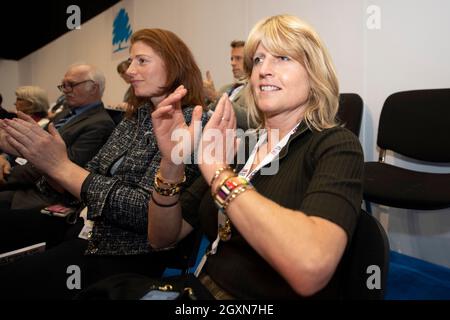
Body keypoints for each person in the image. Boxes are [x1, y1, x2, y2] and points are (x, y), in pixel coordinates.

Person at [83, 14, 364, 300]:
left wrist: (218, 171)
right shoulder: (243, 146)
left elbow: (311, 267)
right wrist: (172, 162)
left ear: (315, 74)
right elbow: (162, 237)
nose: (263, 69)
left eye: (282, 58)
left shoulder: (336, 145)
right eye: (257, 60)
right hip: (199, 288)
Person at [0, 28, 209, 300]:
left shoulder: (196, 123)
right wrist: (44, 158)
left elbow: (144, 211)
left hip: (128, 254)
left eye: (142, 61)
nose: (130, 71)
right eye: (131, 61)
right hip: (86, 232)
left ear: (174, 64)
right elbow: (84, 180)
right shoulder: (136, 117)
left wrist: (61, 166)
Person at [0, 64, 116, 210]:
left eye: (71, 85)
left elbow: (59, 167)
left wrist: (7, 176)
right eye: (63, 85)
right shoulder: (65, 113)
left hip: (45, 194)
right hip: (24, 181)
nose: (66, 91)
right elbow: (30, 143)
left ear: (93, 88)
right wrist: (4, 158)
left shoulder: (100, 124)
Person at [204, 40, 255, 130]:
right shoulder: (225, 88)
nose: (233, 63)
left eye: (238, 58)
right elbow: (206, 112)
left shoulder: (256, 88)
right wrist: (204, 96)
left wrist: (215, 96)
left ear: (250, 61)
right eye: (232, 59)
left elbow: (251, 120)